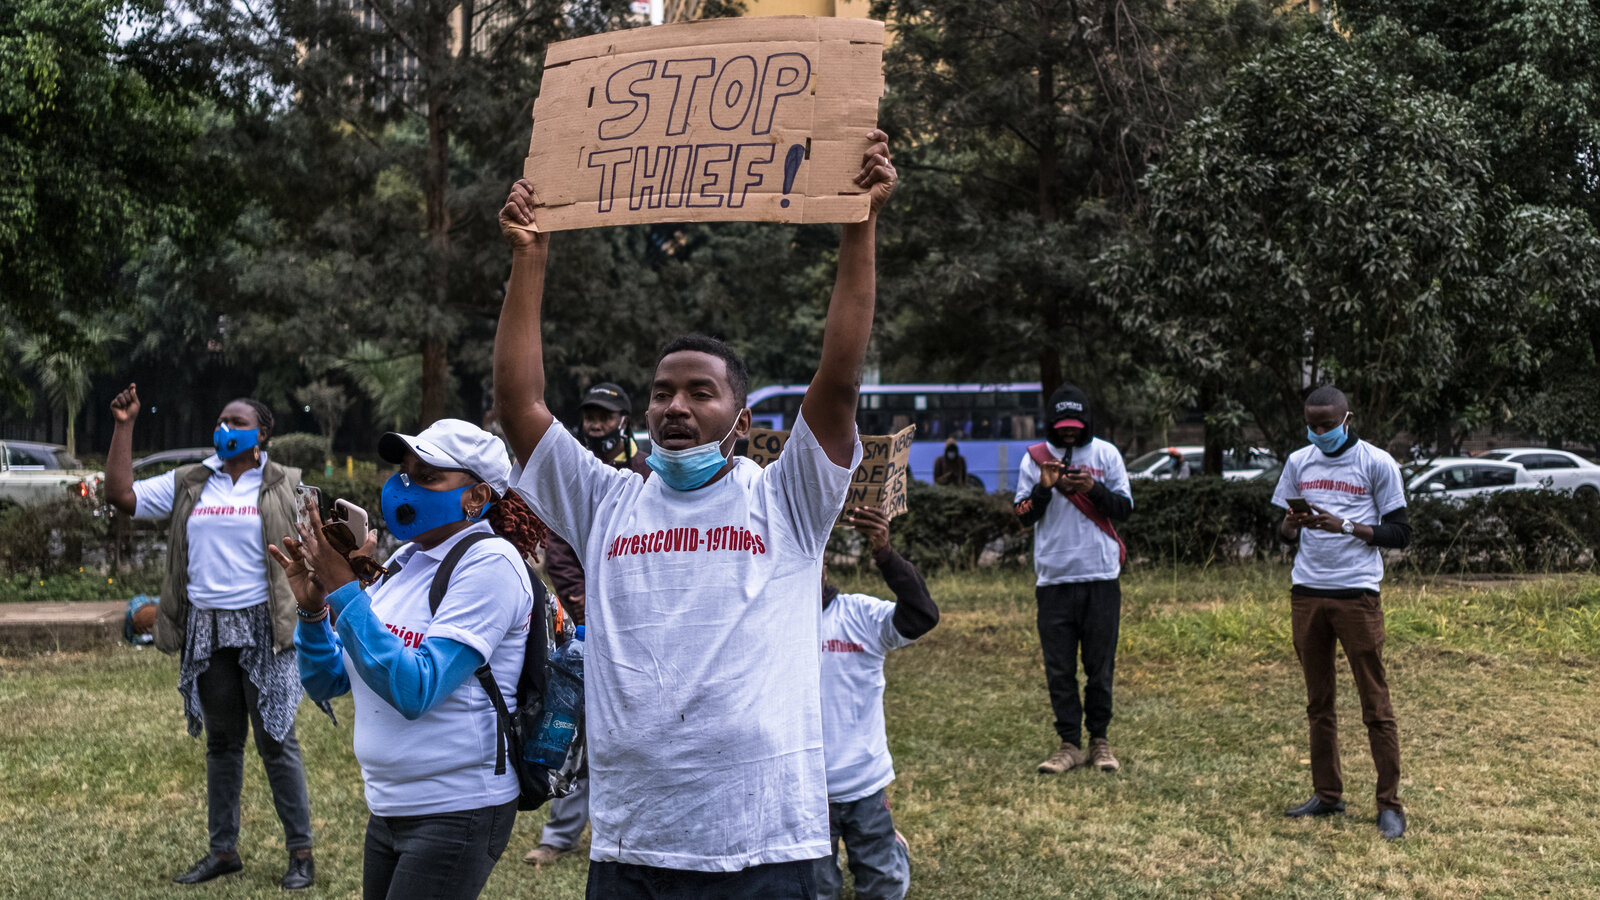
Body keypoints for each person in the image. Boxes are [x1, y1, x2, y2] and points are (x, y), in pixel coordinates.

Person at [493, 130, 895, 899]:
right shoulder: (607, 501)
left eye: (700, 392)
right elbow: (521, 405)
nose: (675, 405)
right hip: (636, 844)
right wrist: (529, 257)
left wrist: (858, 222)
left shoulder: (788, 499)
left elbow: (838, 378)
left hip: (771, 843)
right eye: (661, 392)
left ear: (742, 421)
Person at [271, 419, 547, 898]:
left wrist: (345, 591)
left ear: (477, 497)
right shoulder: (403, 562)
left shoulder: (492, 565)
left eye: (427, 477)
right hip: (389, 806)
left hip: (457, 808)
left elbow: (416, 688)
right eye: (404, 472)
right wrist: (315, 612)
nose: (404, 487)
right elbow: (330, 680)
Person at [104, 384, 322, 889]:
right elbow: (122, 495)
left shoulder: (286, 485)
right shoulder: (191, 482)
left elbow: (317, 548)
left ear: (261, 433)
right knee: (222, 744)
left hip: (263, 627)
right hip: (207, 626)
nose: (225, 429)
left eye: (237, 422)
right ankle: (223, 850)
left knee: (276, 740)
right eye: (220, 421)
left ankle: (301, 853)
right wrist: (123, 425)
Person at [1271, 386, 1411, 841]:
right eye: (1312, 424)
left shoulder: (1377, 463)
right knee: (1319, 702)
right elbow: (1283, 532)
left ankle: (1389, 805)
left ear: (1348, 417)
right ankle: (1327, 796)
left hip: (1357, 594)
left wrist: (1345, 525)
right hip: (1307, 592)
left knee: (1375, 703)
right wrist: (1291, 525)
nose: (1319, 432)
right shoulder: (1299, 462)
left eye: (1328, 424)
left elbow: (1400, 533)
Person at [524, 381, 649, 868]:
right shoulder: (575, 473)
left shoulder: (646, 471)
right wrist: (580, 603)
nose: (597, 423)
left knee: (633, 727)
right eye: (590, 415)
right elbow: (557, 546)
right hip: (586, 624)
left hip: (639, 624)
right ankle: (558, 836)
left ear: (624, 419)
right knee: (571, 721)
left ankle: (632, 830)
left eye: (606, 415)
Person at [814, 506, 938, 900]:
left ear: (823, 568)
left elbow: (921, 615)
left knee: (883, 885)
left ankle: (890, 846)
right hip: (804, 791)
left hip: (864, 782)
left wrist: (885, 554)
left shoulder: (859, 615)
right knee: (818, 890)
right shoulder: (767, 621)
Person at [1013, 383, 1133, 776]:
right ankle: (1069, 743)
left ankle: (1100, 740)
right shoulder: (1035, 459)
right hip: (1054, 579)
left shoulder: (1106, 454)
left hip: (1100, 577)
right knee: (1059, 668)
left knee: (1100, 666)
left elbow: (1124, 508)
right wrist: (1045, 488)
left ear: (1086, 423)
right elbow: (1023, 514)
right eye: (1062, 426)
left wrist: (1093, 489)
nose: (1068, 433)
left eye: (1075, 426)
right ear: (1052, 424)